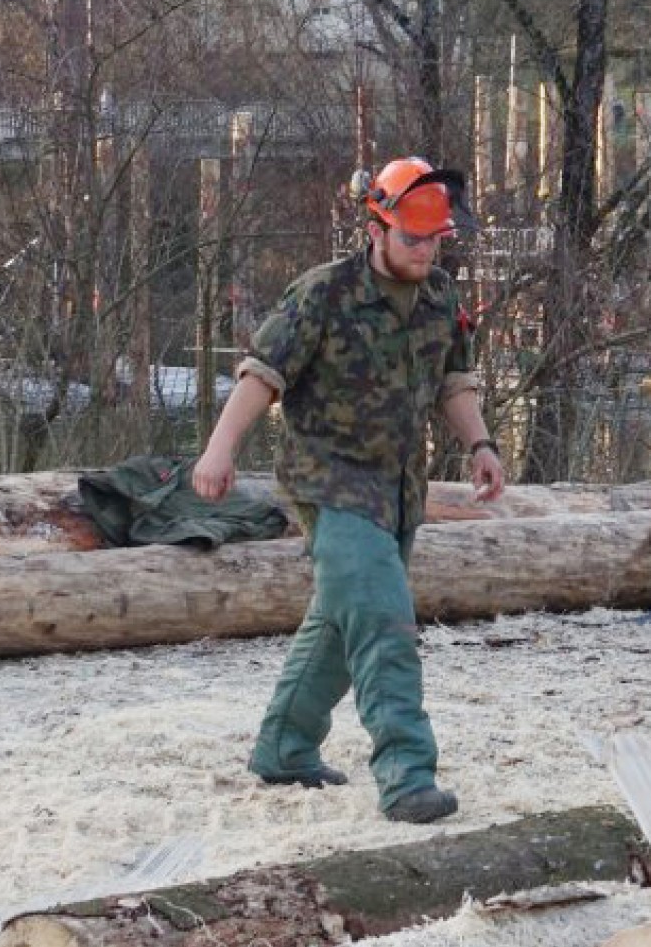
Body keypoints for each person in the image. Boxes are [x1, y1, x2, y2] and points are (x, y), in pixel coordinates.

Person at [192, 156, 505, 824]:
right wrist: (219, 451)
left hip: (398, 488)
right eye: (413, 239)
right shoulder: (323, 293)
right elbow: (261, 374)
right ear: (378, 228)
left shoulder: (442, 298)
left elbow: (454, 382)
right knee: (384, 623)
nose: (425, 251)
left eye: (435, 240)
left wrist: (481, 445)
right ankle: (406, 773)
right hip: (329, 483)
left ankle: (284, 747)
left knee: (341, 623)